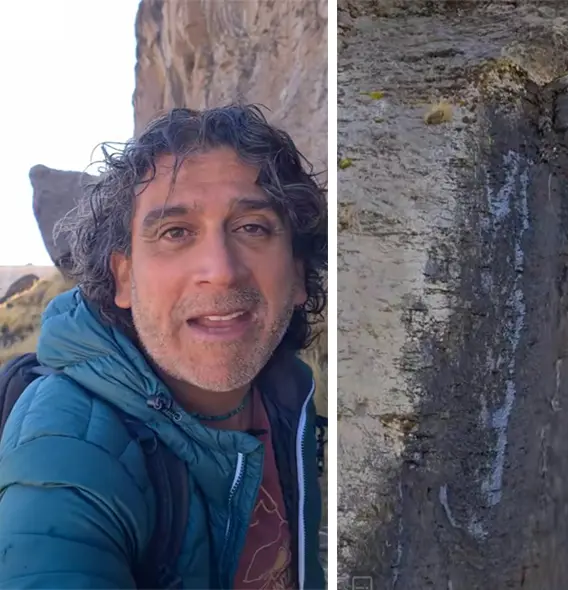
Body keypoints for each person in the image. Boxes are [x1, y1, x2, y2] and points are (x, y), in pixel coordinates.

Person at [0, 104, 327, 589]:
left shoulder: (286, 394)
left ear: (298, 273)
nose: (221, 270)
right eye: (176, 232)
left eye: (252, 227)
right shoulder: (66, 451)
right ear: (123, 278)